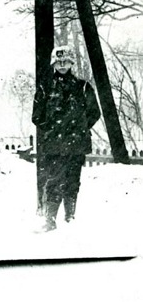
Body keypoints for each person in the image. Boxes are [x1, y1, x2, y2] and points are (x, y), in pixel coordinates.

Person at [32, 45, 101, 232]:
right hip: (54, 144)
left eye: (66, 61)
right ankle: (50, 220)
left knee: (72, 180)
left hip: (76, 143)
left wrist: (79, 128)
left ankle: (70, 219)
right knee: (54, 180)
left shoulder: (83, 86)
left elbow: (95, 112)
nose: (62, 65)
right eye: (58, 62)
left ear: (71, 62)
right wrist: (53, 129)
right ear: (53, 63)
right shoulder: (45, 86)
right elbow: (37, 116)